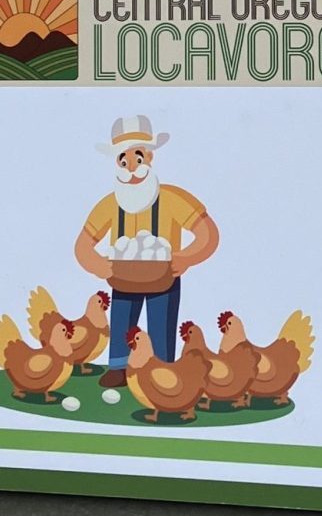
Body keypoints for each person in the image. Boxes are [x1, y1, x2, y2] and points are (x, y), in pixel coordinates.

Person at [73, 114, 219, 387]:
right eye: (123, 160)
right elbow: (83, 244)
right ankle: (118, 367)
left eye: (138, 157)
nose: (131, 167)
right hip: (123, 275)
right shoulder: (110, 204)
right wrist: (97, 264)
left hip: (163, 275)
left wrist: (187, 257)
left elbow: (207, 232)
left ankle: (160, 370)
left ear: (150, 158)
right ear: (116, 163)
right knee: (120, 320)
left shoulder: (173, 199)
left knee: (160, 324)